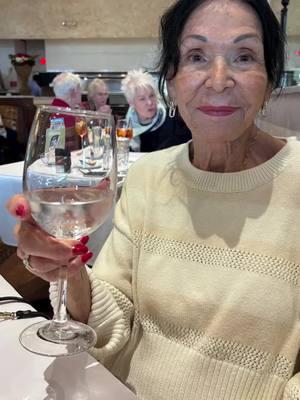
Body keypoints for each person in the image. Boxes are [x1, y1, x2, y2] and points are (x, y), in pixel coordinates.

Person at [7, 0, 300, 399]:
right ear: (172, 80)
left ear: (269, 81)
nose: (218, 80)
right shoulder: (148, 177)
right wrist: (71, 273)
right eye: (196, 56)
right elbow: (116, 316)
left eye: (244, 56)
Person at [121, 68, 191, 152]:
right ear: (131, 103)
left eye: (152, 95)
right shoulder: (127, 124)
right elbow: (122, 151)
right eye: (142, 99)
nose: (149, 102)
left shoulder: (173, 119)